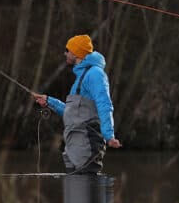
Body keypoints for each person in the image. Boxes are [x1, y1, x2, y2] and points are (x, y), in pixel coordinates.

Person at [31, 34, 121, 174]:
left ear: (77, 53)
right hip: (73, 148)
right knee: (74, 192)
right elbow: (72, 112)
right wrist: (49, 101)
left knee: (85, 190)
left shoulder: (95, 74)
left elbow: (104, 104)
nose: (65, 53)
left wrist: (109, 136)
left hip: (87, 145)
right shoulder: (80, 78)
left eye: (68, 50)